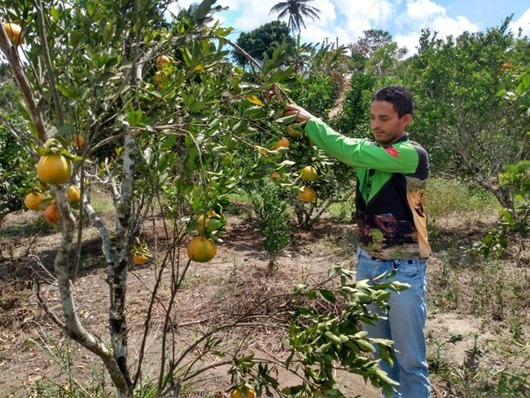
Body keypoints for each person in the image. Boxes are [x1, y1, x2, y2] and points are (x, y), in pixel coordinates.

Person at [284, 86, 431, 398]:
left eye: (384, 119)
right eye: (372, 118)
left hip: (403, 269)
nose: (376, 125)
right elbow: (351, 149)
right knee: (380, 352)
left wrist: (312, 122)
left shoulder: (410, 155)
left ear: (405, 120)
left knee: (410, 361)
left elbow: (349, 150)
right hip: (368, 263)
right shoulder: (371, 150)